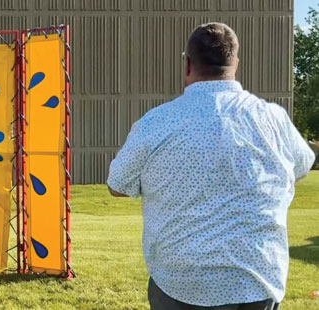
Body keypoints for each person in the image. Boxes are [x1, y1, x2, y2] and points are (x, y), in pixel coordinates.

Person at [107, 22, 315, 310]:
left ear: (188, 64)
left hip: (179, 283)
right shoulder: (274, 119)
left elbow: (117, 185)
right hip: (256, 280)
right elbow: (302, 166)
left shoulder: (155, 123)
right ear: (235, 64)